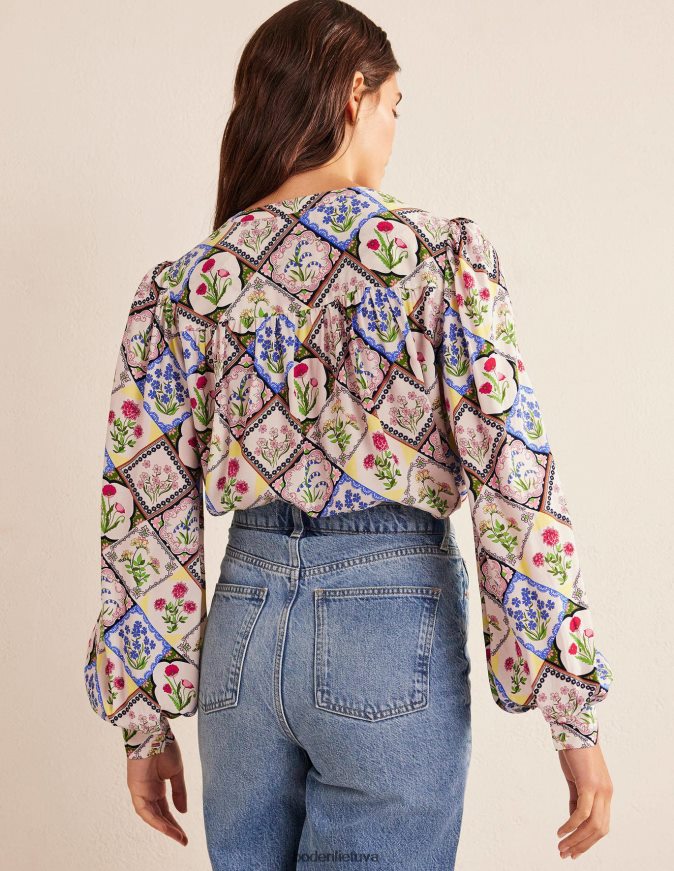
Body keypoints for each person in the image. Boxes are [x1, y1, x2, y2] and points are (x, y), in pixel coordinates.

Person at [83, 1, 614, 867]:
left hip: (244, 627)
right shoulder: (438, 257)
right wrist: (574, 717)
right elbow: (515, 480)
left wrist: (144, 727)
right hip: (387, 625)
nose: (395, 131)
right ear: (354, 92)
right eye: (395, 105)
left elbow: (142, 509)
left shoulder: (186, 285)